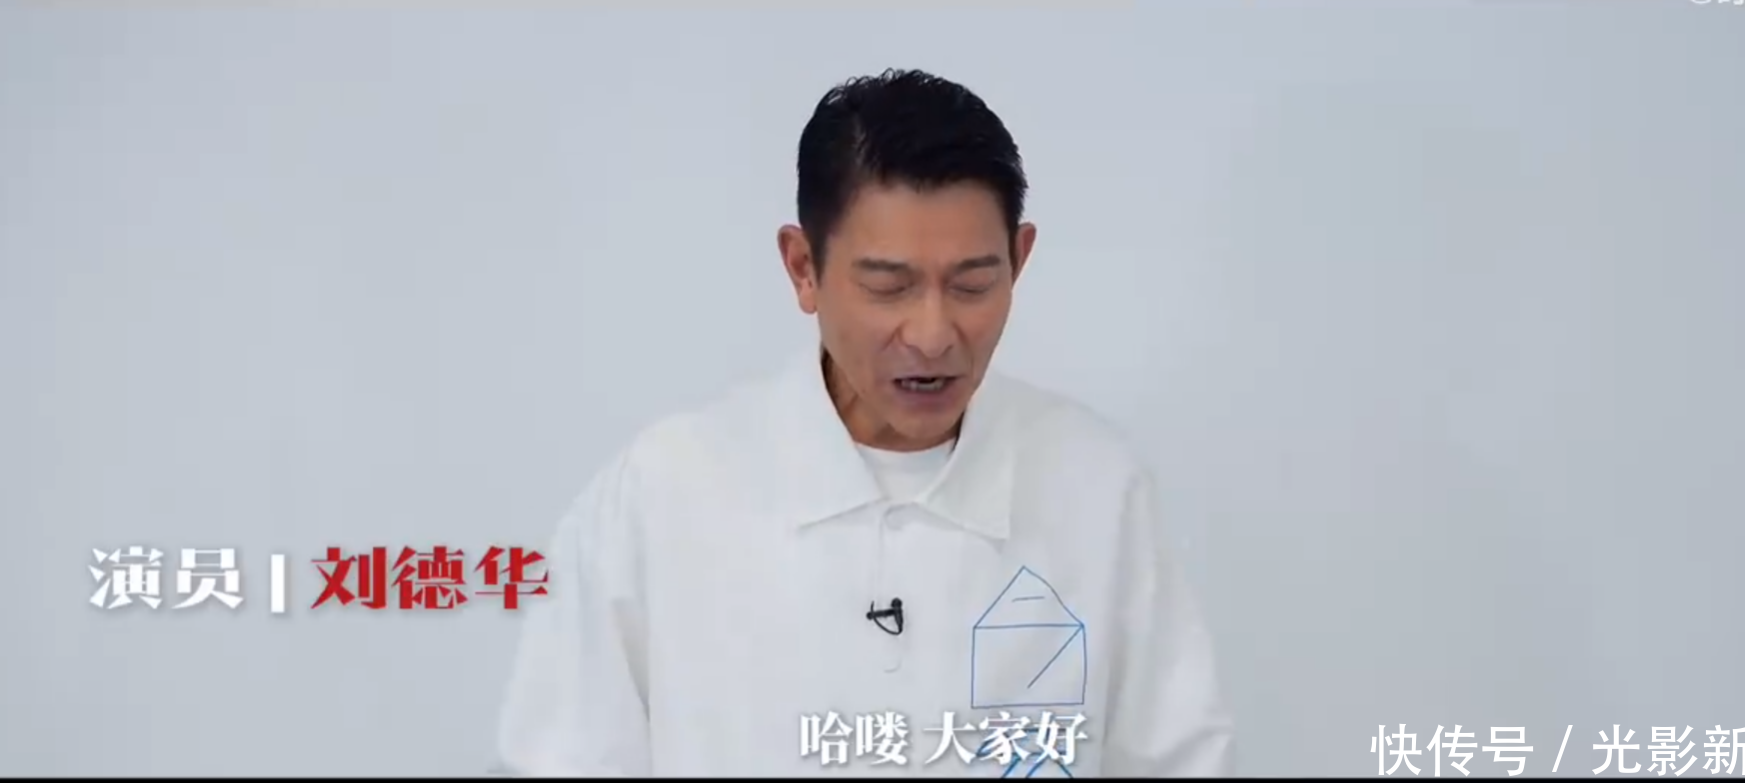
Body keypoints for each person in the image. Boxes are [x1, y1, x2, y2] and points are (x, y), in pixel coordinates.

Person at [492, 67, 1234, 777]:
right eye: (888, 287)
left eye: (973, 284)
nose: (933, 335)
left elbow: (1179, 761)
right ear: (803, 267)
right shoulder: (666, 493)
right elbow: (560, 758)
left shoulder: (1095, 487)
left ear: (1020, 258)